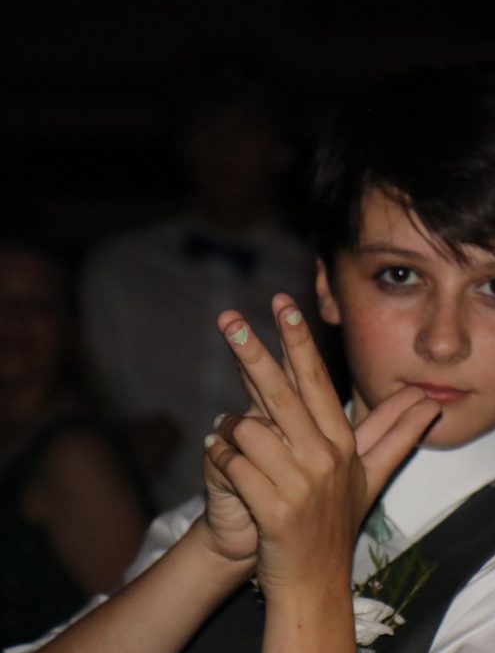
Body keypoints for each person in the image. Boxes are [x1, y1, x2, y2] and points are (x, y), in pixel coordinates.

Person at [0, 65, 495, 653]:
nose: (443, 339)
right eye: (400, 275)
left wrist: (308, 582)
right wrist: (210, 552)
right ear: (327, 286)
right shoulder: (235, 504)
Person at [80, 56, 318, 510]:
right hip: (130, 516)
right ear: (183, 143)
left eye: (244, 131)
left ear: (280, 150)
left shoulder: (317, 275)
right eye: (207, 129)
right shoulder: (118, 268)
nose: (222, 148)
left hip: (277, 515)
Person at [0, 239, 152, 646]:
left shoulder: (75, 457)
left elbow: (140, 628)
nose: (12, 321)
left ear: (68, 328)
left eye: (36, 306)